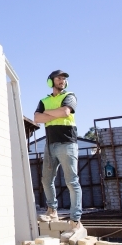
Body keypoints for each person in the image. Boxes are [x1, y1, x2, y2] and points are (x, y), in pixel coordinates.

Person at [34, 69, 84, 233]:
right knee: (46, 180)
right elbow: (36, 118)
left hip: (67, 144)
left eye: (64, 79)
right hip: (50, 145)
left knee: (72, 182)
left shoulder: (70, 96)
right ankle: (52, 210)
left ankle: (75, 219)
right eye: (58, 78)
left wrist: (47, 114)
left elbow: (65, 112)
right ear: (51, 81)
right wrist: (54, 114)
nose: (62, 80)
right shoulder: (44, 100)